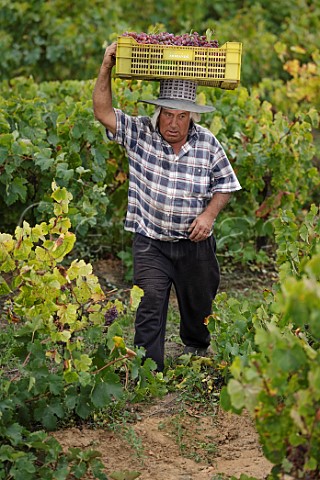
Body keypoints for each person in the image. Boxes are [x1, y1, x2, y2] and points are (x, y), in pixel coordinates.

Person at [93, 42, 241, 371]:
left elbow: (226, 185)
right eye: (168, 114)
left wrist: (208, 214)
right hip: (151, 242)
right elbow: (103, 113)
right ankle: (149, 371)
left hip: (195, 244)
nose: (173, 123)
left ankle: (196, 345)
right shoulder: (140, 133)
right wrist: (106, 67)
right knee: (149, 305)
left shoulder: (207, 143)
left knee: (199, 303)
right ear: (158, 111)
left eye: (182, 116)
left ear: (192, 117)